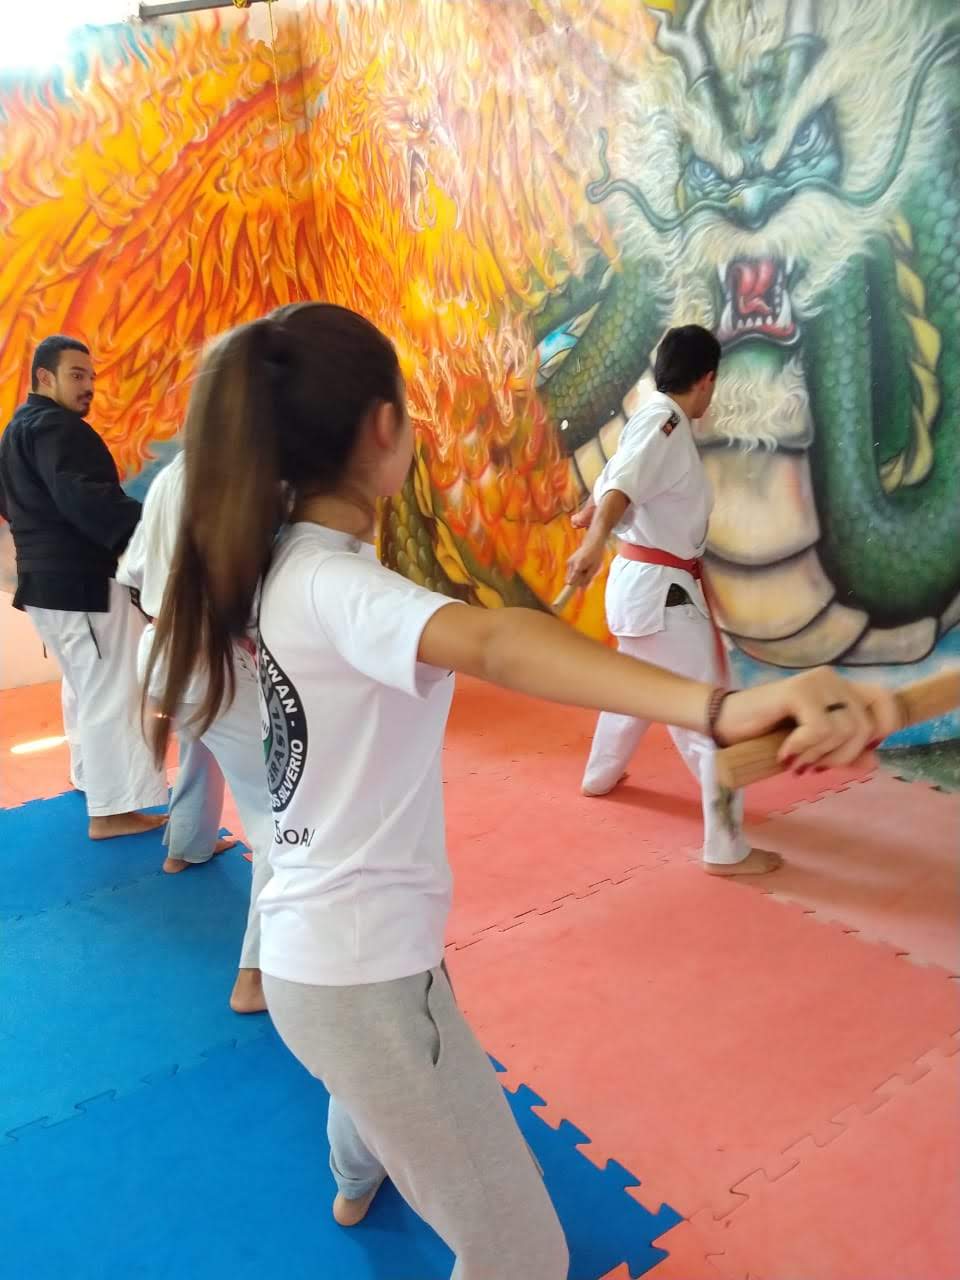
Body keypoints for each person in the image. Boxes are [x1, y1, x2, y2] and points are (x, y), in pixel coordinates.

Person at [146, 303, 898, 1278]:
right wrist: (718, 708)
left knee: (372, 1078)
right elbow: (499, 640)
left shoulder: (283, 566)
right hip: (362, 972)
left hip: (322, 950)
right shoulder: (337, 586)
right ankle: (373, 1162)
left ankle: (354, 1176)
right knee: (524, 1252)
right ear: (386, 427)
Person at [566, 325, 782, 875]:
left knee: (632, 690)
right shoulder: (663, 423)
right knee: (707, 717)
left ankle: (599, 776)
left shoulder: (652, 418)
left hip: (644, 590)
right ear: (707, 380)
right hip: (661, 596)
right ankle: (726, 848)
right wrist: (593, 538)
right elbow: (623, 486)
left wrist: (591, 516)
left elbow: (617, 481)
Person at [117, 450, 272, 1014]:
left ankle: (186, 846)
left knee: (200, 745)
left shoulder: (173, 474)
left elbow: (133, 569)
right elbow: (252, 594)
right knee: (282, 818)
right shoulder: (241, 475)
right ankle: (257, 975)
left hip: (162, 650)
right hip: (212, 658)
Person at [0, 336, 168, 838]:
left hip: (47, 587)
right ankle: (112, 811)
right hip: (81, 585)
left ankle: (91, 780)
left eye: (91, 377)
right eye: (76, 375)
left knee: (84, 687)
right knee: (111, 692)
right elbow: (87, 498)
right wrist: (161, 524)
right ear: (44, 377)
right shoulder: (57, 428)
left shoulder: (16, 431)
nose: (89, 386)